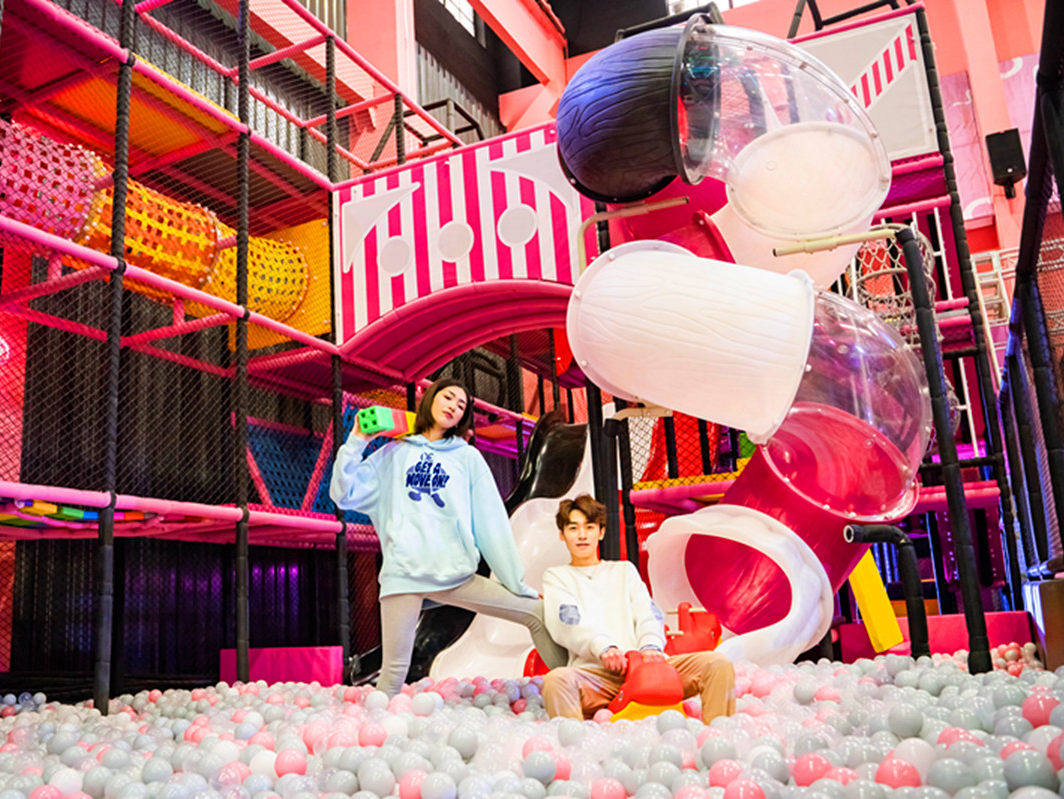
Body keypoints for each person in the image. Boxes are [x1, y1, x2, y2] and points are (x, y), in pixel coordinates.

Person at [329, 378, 566, 695]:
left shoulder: (467, 458)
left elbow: (491, 522)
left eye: (461, 405)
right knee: (393, 675)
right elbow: (343, 494)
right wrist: (357, 440)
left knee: (537, 614)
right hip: (404, 576)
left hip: (455, 575)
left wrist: (516, 583)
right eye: (448, 397)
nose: (454, 406)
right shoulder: (395, 453)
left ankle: (576, 690)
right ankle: (378, 725)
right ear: (431, 399)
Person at [541, 494, 735, 723]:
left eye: (589, 527)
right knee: (557, 680)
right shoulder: (557, 577)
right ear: (562, 535)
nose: (582, 535)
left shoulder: (624, 571)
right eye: (573, 528)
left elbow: (647, 612)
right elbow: (567, 623)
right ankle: (577, 742)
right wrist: (605, 648)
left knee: (717, 664)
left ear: (601, 532)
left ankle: (719, 733)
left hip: (648, 666)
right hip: (597, 674)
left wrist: (650, 647)